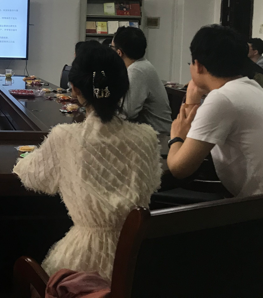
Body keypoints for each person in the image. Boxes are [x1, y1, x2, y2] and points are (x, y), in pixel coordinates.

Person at [13, 42, 162, 281]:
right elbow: (152, 184)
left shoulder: (65, 136)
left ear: (74, 89)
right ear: (124, 87)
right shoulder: (147, 137)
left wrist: (23, 160)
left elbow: (35, 177)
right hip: (139, 261)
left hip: (82, 264)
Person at [167, 25, 263, 242]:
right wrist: (192, 101)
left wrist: (176, 137)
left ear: (198, 65)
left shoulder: (222, 99)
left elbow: (179, 168)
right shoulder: (251, 87)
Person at [111, 26, 172, 134]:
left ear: (119, 52)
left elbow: (126, 113)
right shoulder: (141, 65)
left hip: (158, 135)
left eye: (112, 48)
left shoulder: (137, 70)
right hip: (147, 131)